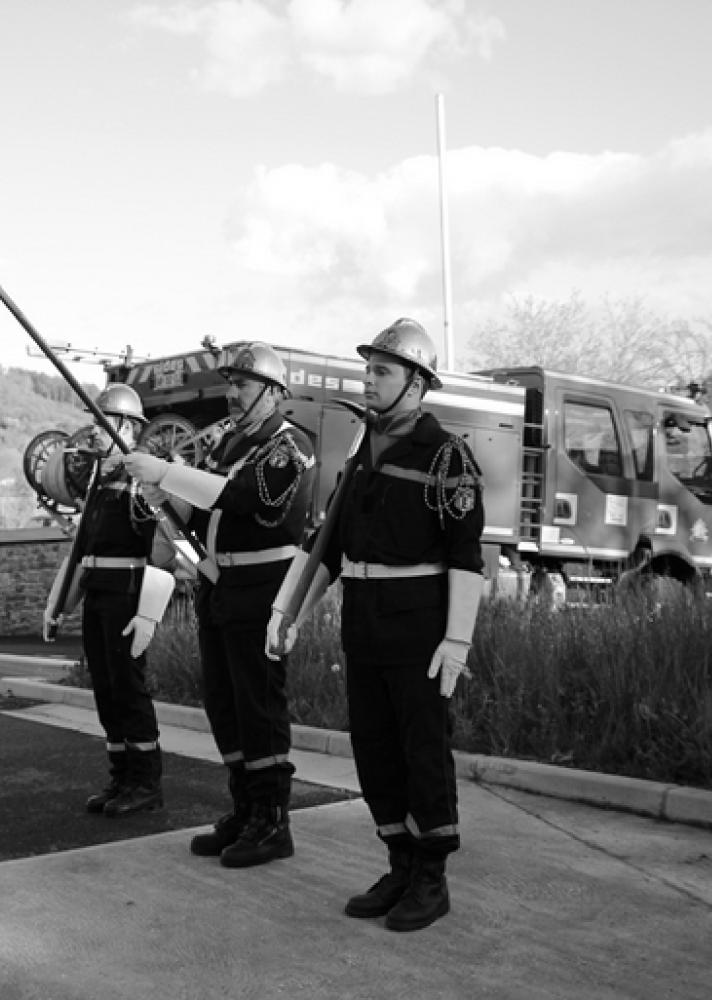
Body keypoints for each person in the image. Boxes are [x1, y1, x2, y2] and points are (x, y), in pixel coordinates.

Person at [268, 318, 484, 930]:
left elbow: (466, 556)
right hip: (363, 627)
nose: (368, 379)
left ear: (417, 383)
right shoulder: (362, 452)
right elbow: (329, 550)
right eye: (367, 369)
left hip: (418, 629)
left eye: (382, 371)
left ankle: (430, 877)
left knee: (422, 752)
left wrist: (457, 639)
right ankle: (398, 861)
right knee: (375, 750)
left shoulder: (446, 454)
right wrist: (293, 616)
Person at [123, 343, 316, 868]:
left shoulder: (291, 444)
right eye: (231, 383)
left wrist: (166, 473)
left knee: (258, 702)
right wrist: (167, 497)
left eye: (244, 385)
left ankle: (273, 821)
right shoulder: (228, 442)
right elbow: (203, 503)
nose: (233, 394)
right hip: (220, 581)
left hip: (263, 583)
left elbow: (244, 498)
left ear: (274, 392)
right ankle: (245, 808)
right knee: (223, 700)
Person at [44, 384, 178, 818]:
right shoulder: (102, 476)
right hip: (99, 592)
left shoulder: (148, 475)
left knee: (128, 689)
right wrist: (59, 606)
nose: (93, 432)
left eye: (101, 422)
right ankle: (121, 775)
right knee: (104, 688)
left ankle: (145, 781)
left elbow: (164, 549)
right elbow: (82, 548)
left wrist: (148, 614)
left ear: (125, 426)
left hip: (127, 594)